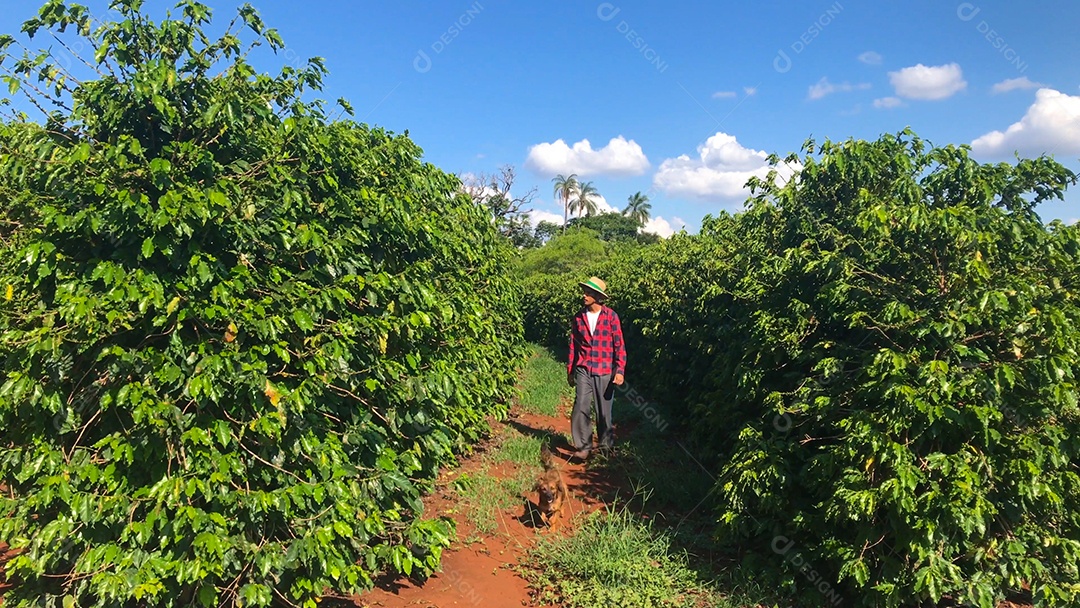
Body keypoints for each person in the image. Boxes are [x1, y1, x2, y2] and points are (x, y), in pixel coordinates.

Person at [566, 276, 626, 459]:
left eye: (589, 293)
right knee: (580, 405)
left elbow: (619, 345)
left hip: (604, 369)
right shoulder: (578, 318)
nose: (584, 296)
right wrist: (570, 370)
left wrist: (620, 370)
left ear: (598, 297)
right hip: (584, 368)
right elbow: (573, 346)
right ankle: (583, 447)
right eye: (585, 292)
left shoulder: (611, 317)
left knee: (603, 410)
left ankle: (605, 447)